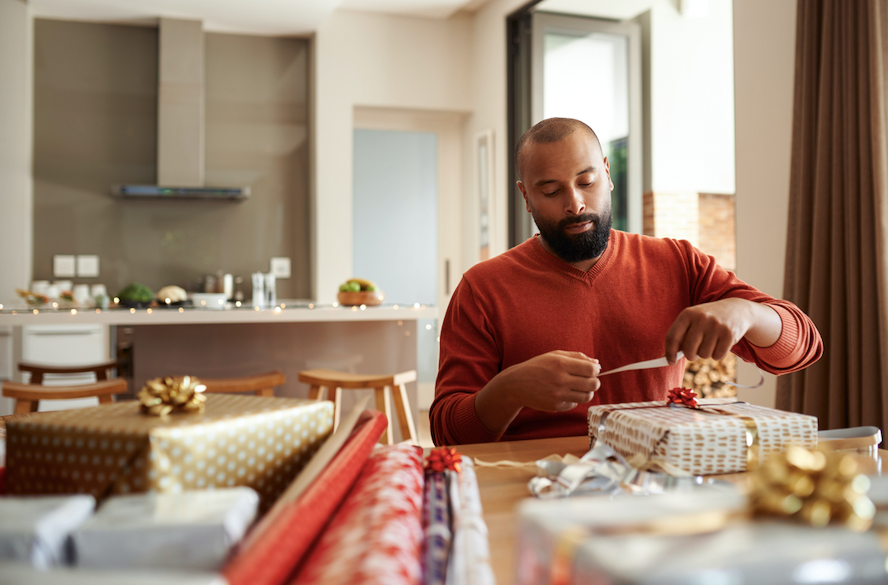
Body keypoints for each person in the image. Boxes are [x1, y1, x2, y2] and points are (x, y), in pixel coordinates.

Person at [430, 117, 823, 446]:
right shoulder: (482, 288)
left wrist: (747, 313)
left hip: (656, 474)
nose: (575, 203)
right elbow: (447, 434)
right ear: (526, 196)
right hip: (533, 483)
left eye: (587, 182)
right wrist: (509, 389)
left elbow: (801, 348)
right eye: (550, 191)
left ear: (607, 173)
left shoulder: (677, 261)